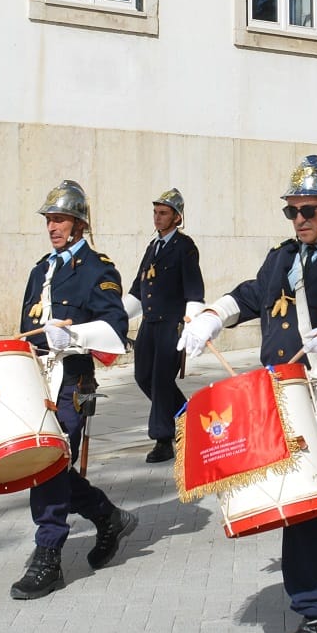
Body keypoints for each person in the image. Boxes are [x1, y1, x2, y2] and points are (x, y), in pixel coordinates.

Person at [179, 155, 317, 633]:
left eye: (308, 210)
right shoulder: (281, 257)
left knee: (302, 507)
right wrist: (214, 315)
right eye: (291, 210)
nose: (299, 219)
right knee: (306, 503)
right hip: (276, 397)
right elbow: (253, 294)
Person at [9, 181, 136, 601]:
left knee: (46, 463)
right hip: (37, 381)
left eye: (59, 219)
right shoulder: (40, 270)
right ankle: (107, 516)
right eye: (48, 220)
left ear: (80, 224)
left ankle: (48, 552)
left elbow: (116, 329)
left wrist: (76, 336)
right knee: (45, 464)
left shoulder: (97, 269)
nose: (52, 227)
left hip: (71, 383)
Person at [129, 189, 204, 463]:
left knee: (161, 380)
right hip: (149, 324)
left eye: (163, 213)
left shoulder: (184, 247)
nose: (157, 218)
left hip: (172, 325)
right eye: (155, 212)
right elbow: (138, 288)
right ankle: (188, 418)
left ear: (177, 217)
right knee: (143, 376)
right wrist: (117, 317)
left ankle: (163, 439)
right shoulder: (153, 247)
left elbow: (195, 290)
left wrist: (192, 324)